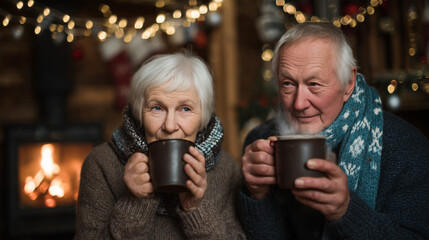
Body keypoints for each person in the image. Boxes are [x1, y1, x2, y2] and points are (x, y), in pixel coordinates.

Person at [237, 22, 429, 239]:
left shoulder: (407, 148)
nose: (299, 104)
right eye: (288, 84)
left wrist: (346, 210)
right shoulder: (261, 141)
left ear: (348, 83)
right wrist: (256, 195)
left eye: (314, 84)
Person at [74, 51, 245, 239]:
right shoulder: (101, 164)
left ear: (203, 117)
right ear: (140, 112)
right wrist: (136, 202)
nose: (170, 126)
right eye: (157, 108)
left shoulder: (227, 169)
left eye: (185, 109)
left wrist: (195, 209)